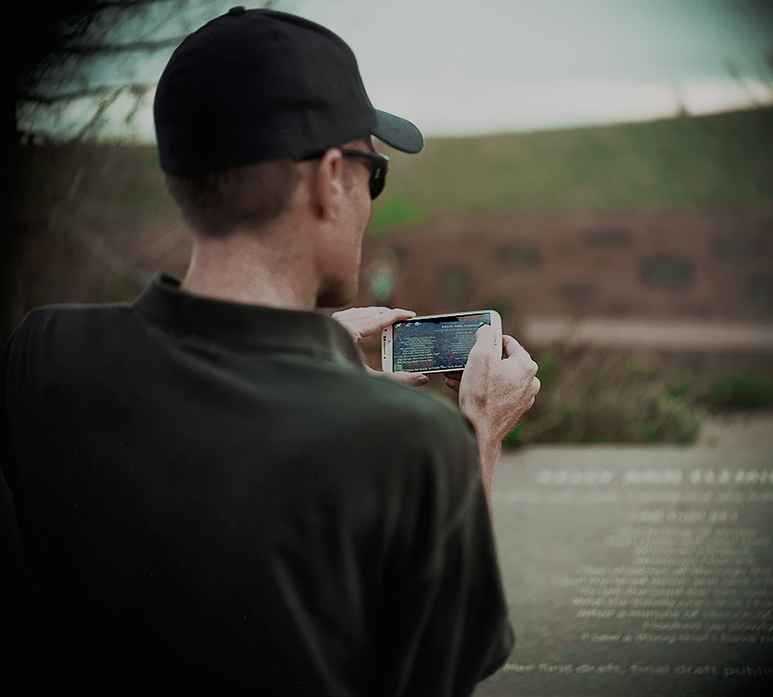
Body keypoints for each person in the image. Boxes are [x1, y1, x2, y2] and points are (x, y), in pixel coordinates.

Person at [0, 7, 540, 695]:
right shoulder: (413, 445)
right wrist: (479, 434)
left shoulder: (41, 355)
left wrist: (311, 350)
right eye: (373, 174)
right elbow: (449, 665)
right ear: (328, 179)